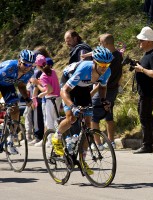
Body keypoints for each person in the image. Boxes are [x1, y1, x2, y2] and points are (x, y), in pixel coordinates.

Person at [52, 46, 112, 175]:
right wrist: (73, 107)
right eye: (101, 64)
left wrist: (103, 100)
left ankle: (82, 161)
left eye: (107, 64)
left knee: (88, 124)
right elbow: (64, 91)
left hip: (83, 87)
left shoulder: (107, 71)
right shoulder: (84, 68)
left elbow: (102, 87)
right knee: (72, 118)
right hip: (69, 84)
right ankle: (57, 136)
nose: (104, 67)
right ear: (95, 62)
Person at [133, 27, 153, 154]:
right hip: (144, 91)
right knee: (144, 114)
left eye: (142, 40)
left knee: (144, 116)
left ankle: (147, 145)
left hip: (149, 92)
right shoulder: (148, 54)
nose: (139, 42)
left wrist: (141, 69)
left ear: (149, 41)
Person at [88, 34, 123, 149]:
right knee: (109, 115)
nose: (99, 45)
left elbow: (102, 80)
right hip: (113, 90)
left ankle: (97, 144)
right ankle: (111, 141)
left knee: (94, 116)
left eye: (100, 43)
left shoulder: (107, 60)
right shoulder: (118, 55)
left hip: (103, 89)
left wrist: (91, 94)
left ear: (106, 44)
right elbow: (120, 74)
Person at [0, 49, 36, 154]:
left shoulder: (29, 72)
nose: (27, 67)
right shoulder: (9, 67)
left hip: (8, 86)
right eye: (25, 64)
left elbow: (21, 85)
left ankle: (10, 139)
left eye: (30, 65)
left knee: (15, 110)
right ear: (19, 60)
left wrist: (27, 98)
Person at [33, 54, 61, 148]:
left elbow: (49, 89)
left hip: (50, 99)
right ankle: (57, 138)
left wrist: (39, 89)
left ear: (38, 66)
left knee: (49, 120)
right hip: (58, 97)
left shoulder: (43, 76)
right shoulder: (52, 71)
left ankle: (51, 140)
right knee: (55, 119)